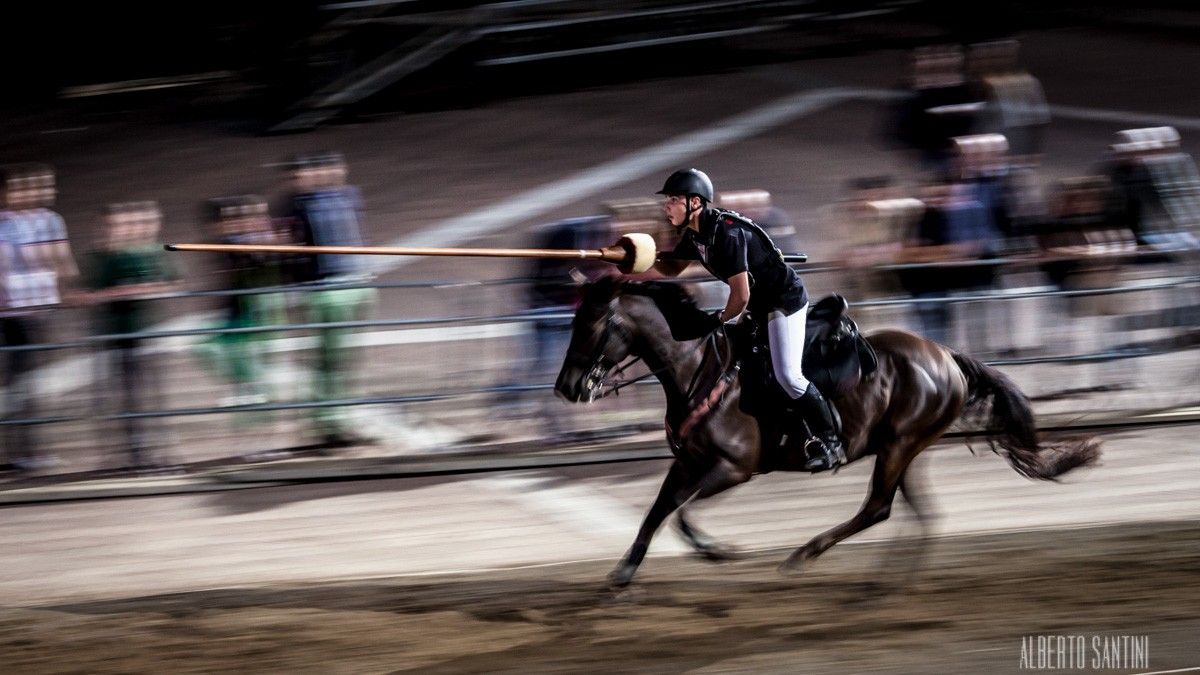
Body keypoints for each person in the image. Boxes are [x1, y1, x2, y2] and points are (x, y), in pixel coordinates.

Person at [651, 168, 843, 472]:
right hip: (758, 305)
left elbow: (739, 296)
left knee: (788, 375)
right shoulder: (695, 234)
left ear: (695, 203)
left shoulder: (727, 232)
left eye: (674, 199)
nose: (667, 206)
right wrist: (630, 256)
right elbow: (671, 269)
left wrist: (718, 319)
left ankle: (831, 442)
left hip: (782, 303)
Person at [278, 152, 378, 449]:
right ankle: (326, 424)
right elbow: (288, 252)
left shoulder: (348, 195)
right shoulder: (295, 205)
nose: (325, 174)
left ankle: (339, 420)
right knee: (327, 362)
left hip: (353, 284)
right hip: (324, 287)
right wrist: (295, 290)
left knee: (345, 361)